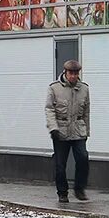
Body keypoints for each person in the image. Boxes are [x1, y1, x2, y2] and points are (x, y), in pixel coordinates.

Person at [46, 59, 90, 204]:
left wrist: (86, 131)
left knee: (83, 158)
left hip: (78, 130)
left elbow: (86, 112)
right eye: (71, 73)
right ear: (65, 72)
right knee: (60, 164)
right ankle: (62, 193)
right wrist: (53, 128)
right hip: (60, 130)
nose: (73, 76)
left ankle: (79, 188)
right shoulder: (54, 88)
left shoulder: (84, 88)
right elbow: (49, 109)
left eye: (76, 73)